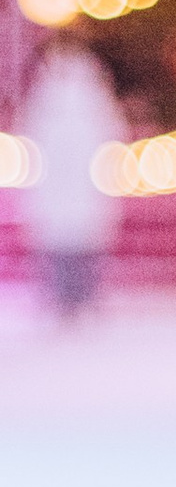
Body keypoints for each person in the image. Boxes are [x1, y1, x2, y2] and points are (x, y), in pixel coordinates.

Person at [17, 37, 126, 319]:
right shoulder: (49, 91)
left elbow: (109, 129)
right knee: (61, 241)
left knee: (81, 241)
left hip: (80, 182)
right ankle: (61, 297)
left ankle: (81, 297)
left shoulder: (85, 90)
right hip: (60, 183)